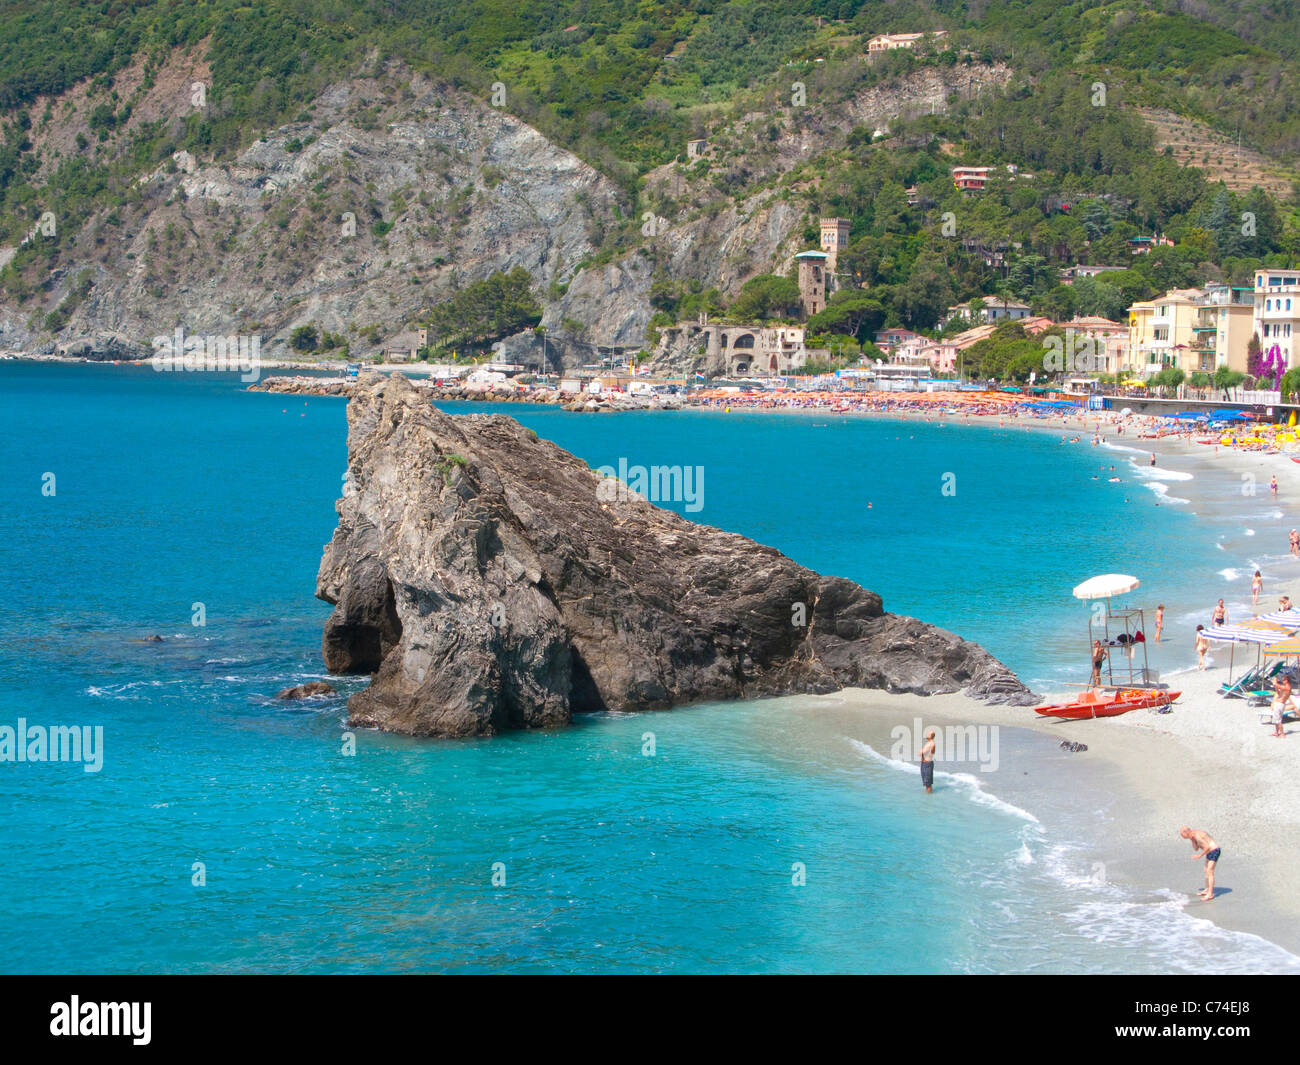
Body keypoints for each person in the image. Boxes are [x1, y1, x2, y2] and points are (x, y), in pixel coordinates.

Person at [1180, 826, 1221, 901]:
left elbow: (1207, 847)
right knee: (1206, 870)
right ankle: (1207, 889)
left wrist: (1199, 855)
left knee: (1210, 871)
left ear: (1186, 832)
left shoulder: (1198, 835)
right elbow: (1196, 849)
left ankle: (1210, 894)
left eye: (1182, 834)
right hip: (1209, 852)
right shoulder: (1193, 836)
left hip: (1214, 850)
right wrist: (1192, 839)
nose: (1182, 836)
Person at [920, 728, 936, 794]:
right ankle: (928, 795)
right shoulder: (929, 743)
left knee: (928, 783)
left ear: (931, 736)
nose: (927, 734)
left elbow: (921, 753)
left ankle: (928, 797)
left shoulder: (931, 744)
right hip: (925, 764)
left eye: (928, 733)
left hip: (927, 764)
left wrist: (921, 751)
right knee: (926, 783)